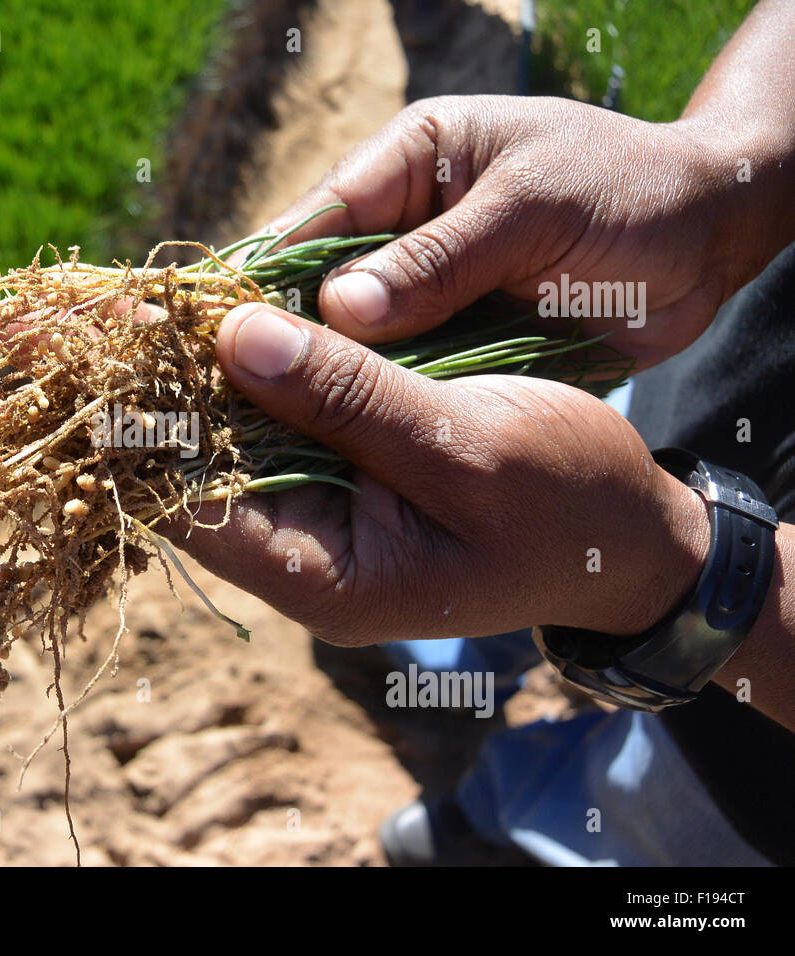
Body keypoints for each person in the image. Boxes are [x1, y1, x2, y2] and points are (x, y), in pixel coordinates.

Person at [173, 0, 795, 865]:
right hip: (718, 388)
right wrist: (723, 166)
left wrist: (682, 571)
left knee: (654, 814)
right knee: (506, 495)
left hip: (766, 759)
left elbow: (640, 544)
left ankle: (514, 826)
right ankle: (441, 667)